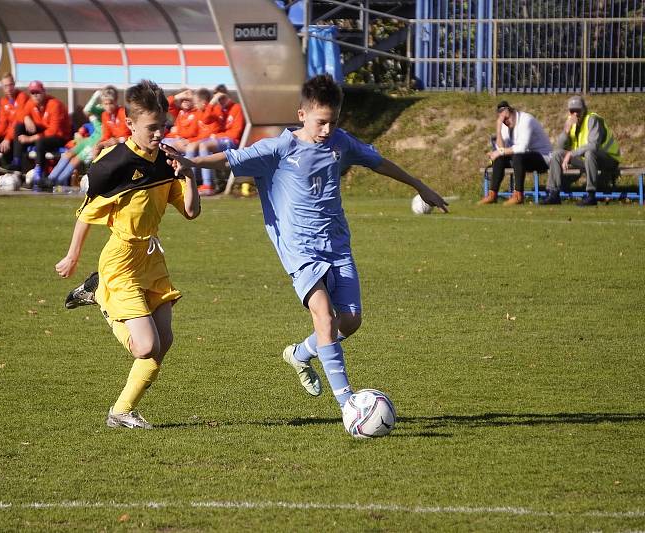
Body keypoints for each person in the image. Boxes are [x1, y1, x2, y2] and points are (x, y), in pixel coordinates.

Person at [162, 74, 447, 412]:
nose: (327, 129)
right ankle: (347, 405)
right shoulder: (280, 148)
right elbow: (230, 158)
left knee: (350, 321)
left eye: (333, 121)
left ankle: (300, 354)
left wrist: (419, 185)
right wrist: (191, 163)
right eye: (321, 122)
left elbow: (379, 162)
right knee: (324, 317)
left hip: (337, 245)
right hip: (299, 249)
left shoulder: (341, 142)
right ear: (302, 115)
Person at [54, 80, 200, 430]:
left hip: (151, 257)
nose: (158, 133)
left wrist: (190, 175)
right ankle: (99, 292)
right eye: (151, 128)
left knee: (163, 342)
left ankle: (121, 412)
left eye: (162, 126)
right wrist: (73, 256)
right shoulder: (113, 165)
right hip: (120, 260)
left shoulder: (168, 161)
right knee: (144, 346)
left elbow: (192, 212)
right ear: (129, 123)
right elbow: (86, 214)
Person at [543, 95, 621, 206]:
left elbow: (593, 145)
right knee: (557, 154)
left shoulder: (592, 119)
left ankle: (591, 195)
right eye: (572, 111)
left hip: (609, 159)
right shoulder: (571, 122)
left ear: (584, 109)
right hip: (587, 160)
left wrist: (571, 154)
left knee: (589, 153)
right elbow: (560, 146)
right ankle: (554, 193)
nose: (575, 114)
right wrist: (566, 131)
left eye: (578, 111)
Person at [47, 85, 124, 187]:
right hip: (90, 139)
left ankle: (57, 182)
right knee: (68, 153)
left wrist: (103, 143)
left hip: (98, 141)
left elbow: (111, 135)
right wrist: (96, 95)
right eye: (105, 104)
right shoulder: (103, 113)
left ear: (115, 101)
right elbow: (87, 110)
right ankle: (49, 179)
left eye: (110, 103)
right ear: (102, 103)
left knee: (76, 159)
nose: (108, 106)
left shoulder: (120, 113)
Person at [479, 101, 552, 205]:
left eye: (507, 118)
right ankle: (492, 194)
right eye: (503, 120)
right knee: (499, 158)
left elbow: (522, 148)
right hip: (523, 158)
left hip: (543, 157)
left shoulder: (526, 120)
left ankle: (518, 195)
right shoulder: (505, 124)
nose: (506, 122)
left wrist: (500, 152)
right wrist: (498, 128)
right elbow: (501, 148)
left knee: (517, 156)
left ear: (512, 111)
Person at [1, 80, 71, 187]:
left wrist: (30, 139)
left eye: (38, 92)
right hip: (44, 132)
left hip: (60, 136)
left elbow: (54, 130)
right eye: (32, 93)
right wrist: (26, 117)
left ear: (43, 91)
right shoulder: (31, 103)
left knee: (40, 142)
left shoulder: (54, 104)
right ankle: (17, 162)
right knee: (19, 126)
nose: (35, 95)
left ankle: (39, 175)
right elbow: (19, 115)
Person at [162, 88, 197, 153]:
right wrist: (180, 95)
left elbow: (193, 132)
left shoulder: (196, 113)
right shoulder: (179, 112)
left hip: (182, 141)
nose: (185, 101)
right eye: (182, 100)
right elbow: (168, 103)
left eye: (188, 100)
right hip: (169, 139)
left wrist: (178, 132)